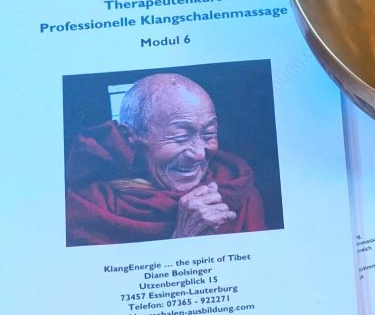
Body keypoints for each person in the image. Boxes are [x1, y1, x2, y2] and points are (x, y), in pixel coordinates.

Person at [65, 73, 267, 246]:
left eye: (208, 135)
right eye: (180, 137)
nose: (199, 154)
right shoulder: (91, 207)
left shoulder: (235, 187)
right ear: (129, 137)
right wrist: (183, 238)